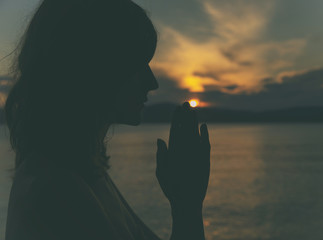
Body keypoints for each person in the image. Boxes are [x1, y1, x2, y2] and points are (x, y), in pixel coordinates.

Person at [4, 0, 211, 239]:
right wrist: (187, 206)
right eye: (137, 64)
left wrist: (184, 198)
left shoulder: (83, 173)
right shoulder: (56, 194)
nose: (151, 82)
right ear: (96, 66)